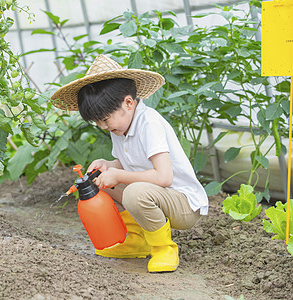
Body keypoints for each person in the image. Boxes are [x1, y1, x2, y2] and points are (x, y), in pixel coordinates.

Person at [50, 54, 208, 273]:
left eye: (105, 120)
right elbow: (127, 164)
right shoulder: (121, 125)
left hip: (183, 204)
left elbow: (164, 177)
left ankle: (164, 248)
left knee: (134, 193)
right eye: (97, 122)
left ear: (128, 102)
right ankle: (136, 240)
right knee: (98, 184)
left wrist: (120, 176)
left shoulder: (148, 123)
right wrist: (107, 165)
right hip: (157, 195)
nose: (103, 127)